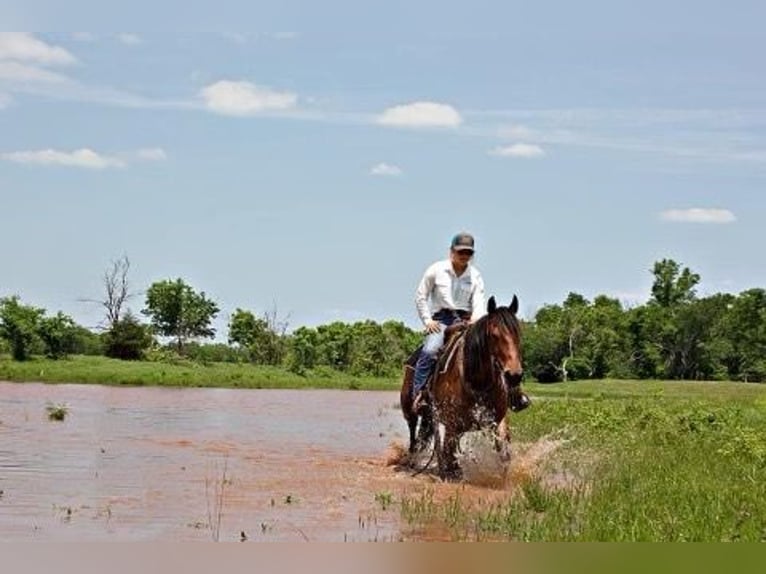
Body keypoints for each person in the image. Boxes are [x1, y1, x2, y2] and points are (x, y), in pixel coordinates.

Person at [411, 232, 486, 412]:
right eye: (461, 252)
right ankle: (419, 395)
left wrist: (476, 319)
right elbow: (420, 296)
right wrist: (427, 320)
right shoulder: (436, 270)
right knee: (429, 351)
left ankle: (508, 395)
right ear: (451, 251)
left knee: (491, 351)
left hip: (468, 320)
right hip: (442, 320)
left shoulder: (475, 275)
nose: (464, 256)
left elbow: (479, 301)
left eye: (468, 253)